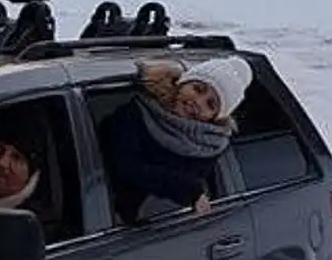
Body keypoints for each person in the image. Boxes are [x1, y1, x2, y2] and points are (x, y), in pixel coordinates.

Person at [100, 56, 252, 225]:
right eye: (198, 88)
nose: (198, 102)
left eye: (211, 104)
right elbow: (127, 167)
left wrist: (189, 191)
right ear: (183, 82)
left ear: (215, 118)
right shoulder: (134, 114)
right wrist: (188, 189)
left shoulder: (208, 146)